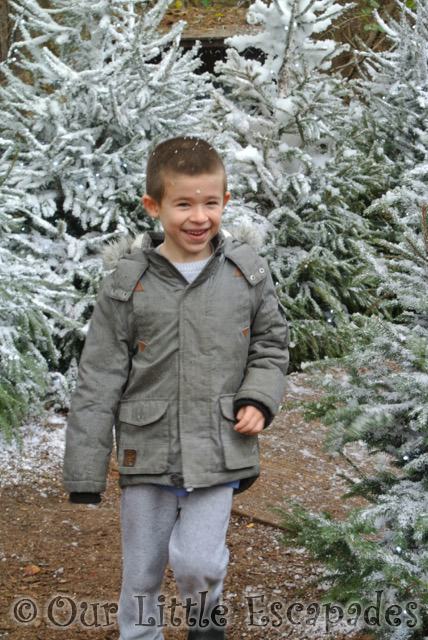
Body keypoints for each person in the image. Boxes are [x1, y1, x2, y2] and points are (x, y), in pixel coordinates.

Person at [63, 136, 289, 640]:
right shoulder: (128, 282)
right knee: (142, 571)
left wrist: (258, 398)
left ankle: (206, 618)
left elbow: (272, 344)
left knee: (197, 560)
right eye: (183, 203)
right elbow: (99, 376)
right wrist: (86, 469)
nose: (198, 216)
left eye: (210, 202)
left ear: (225, 202)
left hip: (219, 448)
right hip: (148, 451)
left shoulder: (245, 272)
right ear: (154, 205)